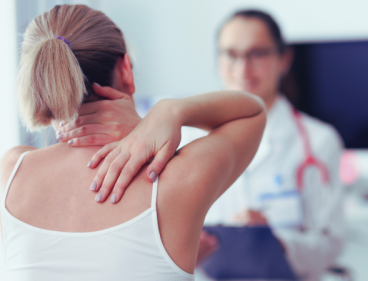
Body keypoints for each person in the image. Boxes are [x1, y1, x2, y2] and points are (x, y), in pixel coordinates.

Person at [57, 9, 345, 281]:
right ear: (218, 59)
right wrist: (183, 251)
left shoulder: (318, 141)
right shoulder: (184, 136)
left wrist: (275, 241)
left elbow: (331, 244)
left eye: (257, 54)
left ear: (284, 59)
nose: (243, 67)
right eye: (231, 54)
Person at [0, 5, 266, 281]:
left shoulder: (10, 174)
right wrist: (170, 111)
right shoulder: (174, 180)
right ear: (126, 69)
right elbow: (253, 112)